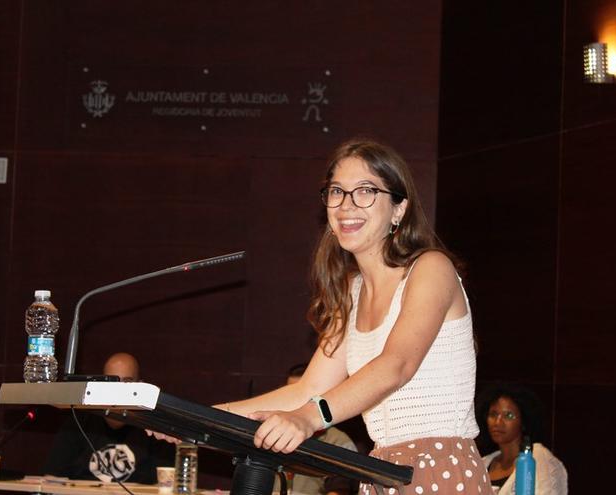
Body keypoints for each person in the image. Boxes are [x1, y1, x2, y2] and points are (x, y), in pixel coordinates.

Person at [154, 138, 491, 494]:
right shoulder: (352, 290)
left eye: (365, 191)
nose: (347, 205)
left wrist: (308, 418)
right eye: (337, 192)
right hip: (381, 474)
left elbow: (397, 364)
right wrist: (195, 418)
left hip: (439, 468)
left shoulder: (430, 268)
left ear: (398, 209)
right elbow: (309, 389)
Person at [42, 353, 175, 483]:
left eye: (127, 382)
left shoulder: (153, 429)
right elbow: (51, 478)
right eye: (112, 382)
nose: (118, 390)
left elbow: (167, 483)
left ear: (139, 385)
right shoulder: (79, 421)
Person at [273, 363, 359, 495]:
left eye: (303, 396)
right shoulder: (275, 433)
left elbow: (339, 490)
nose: (297, 402)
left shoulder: (338, 441)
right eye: (291, 395)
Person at [476, 385, 567, 495]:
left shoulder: (538, 458)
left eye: (508, 415)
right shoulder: (481, 463)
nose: (497, 422)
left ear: (523, 421)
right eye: (493, 414)